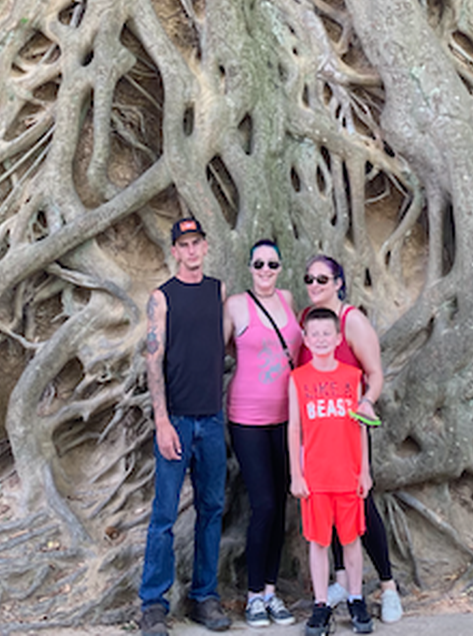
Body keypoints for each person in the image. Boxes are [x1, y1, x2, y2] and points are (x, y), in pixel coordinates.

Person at [139, 218, 231, 636]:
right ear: (174, 250)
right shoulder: (162, 298)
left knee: (211, 510)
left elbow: (226, 345)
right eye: (183, 244)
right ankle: (153, 604)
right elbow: (152, 360)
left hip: (212, 419)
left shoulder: (218, 291)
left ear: (205, 247)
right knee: (164, 514)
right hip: (175, 420)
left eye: (196, 243)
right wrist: (161, 420)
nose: (191, 251)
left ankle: (204, 597)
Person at [299, 255, 403, 623]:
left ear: (339, 282)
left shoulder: (352, 321)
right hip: (317, 432)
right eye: (309, 278)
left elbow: (374, 373)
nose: (314, 285)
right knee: (326, 509)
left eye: (323, 278)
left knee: (362, 506)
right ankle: (342, 581)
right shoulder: (308, 322)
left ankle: (388, 586)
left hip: (350, 427)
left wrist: (366, 402)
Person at [224, 240, 304, 628]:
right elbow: (220, 349)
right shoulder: (237, 306)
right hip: (247, 418)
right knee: (264, 505)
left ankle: (271, 592)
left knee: (282, 508)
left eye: (273, 263)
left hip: (287, 419)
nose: (266, 270)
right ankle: (254, 595)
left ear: (280, 267)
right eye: (259, 264)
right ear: (250, 268)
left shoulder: (288, 299)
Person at [289, 307, 374, 636]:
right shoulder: (298, 379)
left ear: (339, 338)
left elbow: (361, 427)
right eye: (315, 334)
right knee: (318, 542)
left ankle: (355, 597)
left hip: (348, 473)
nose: (321, 339)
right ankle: (321, 604)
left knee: (351, 540)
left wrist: (364, 470)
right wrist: (297, 473)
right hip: (315, 476)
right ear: (306, 340)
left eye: (328, 333)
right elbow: (294, 429)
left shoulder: (352, 377)